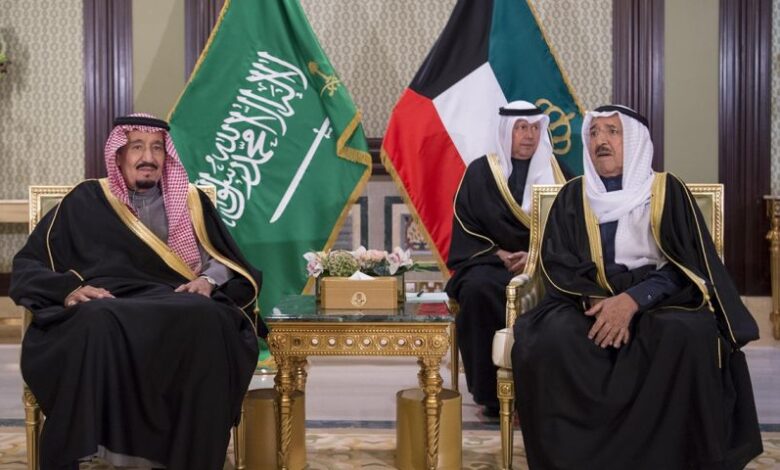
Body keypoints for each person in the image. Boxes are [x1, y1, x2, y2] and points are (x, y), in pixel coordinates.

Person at [512, 105, 763, 469]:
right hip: (589, 296)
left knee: (685, 333)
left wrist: (634, 300)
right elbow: (559, 263)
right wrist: (601, 301)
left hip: (660, 295)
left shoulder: (668, 191)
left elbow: (689, 263)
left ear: (635, 140)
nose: (601, 141)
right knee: (553, 338)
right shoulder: (572, 196)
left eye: (612, 132)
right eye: (594, 133)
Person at [10, 114, 263, 470]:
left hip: (175, 300)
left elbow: (224, 259)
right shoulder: (86, 199)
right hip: (109, 302)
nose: (148, 157)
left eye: (157, 148)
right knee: (96, 317)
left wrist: (208, 280)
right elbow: (29, 263)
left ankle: (190, 455)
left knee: (207, 316)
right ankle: (94, 448)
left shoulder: (190, 201)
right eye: (137, 147)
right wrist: (68, 290)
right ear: (118, 156)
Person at [445, 100, 567, 416]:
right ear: (505, 131)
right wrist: (496, 253)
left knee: (566, 293)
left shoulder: (559, 172)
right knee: (478, 289)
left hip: (546, 265)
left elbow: (572, 227)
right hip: (491, 263)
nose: (529, 135)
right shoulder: (481, 172)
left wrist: (536, 256)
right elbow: (466, 224)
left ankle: (545, 391)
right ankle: (490, 394)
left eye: (535, 128)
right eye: (521, 128)